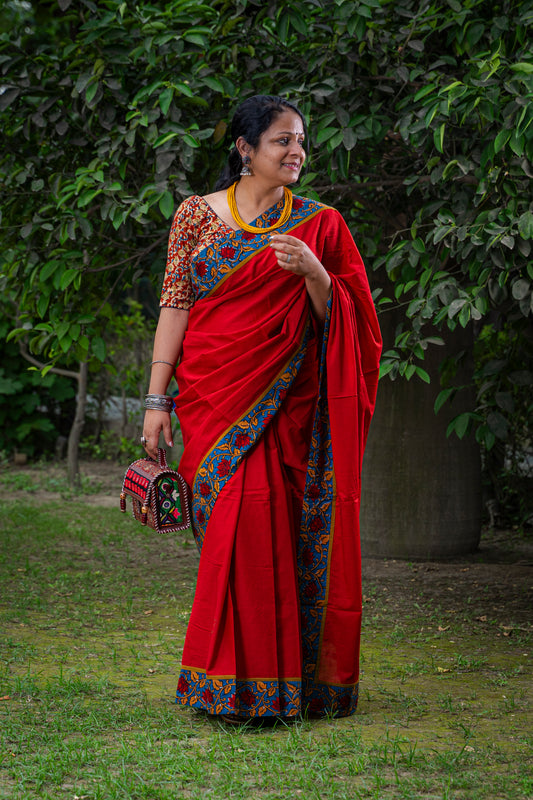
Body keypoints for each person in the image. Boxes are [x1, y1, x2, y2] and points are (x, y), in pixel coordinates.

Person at [141, 95, 382, 722]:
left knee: (269, 529)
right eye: (281, 141)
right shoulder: (196, 216)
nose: (296, 151)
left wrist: (315, 276)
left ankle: (276, 687)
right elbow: (176, 306)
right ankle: (229, 683)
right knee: (230, 530)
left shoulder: (320, 226)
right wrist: (156, 399)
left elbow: (352, 328)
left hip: (288, 407)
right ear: (245, 150)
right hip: (212, 396)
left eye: (301, 140)